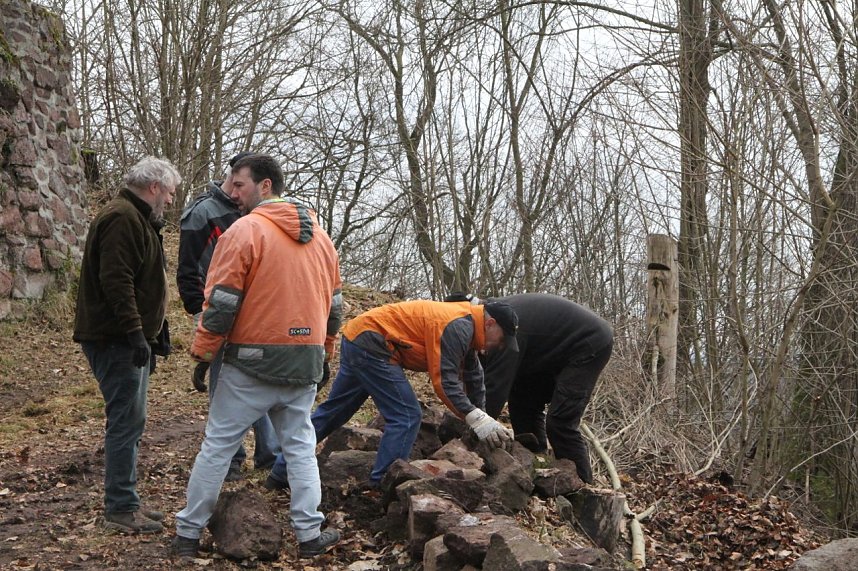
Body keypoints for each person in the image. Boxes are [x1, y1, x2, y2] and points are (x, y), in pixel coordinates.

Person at [172, 154, 343, 559]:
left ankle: (187, 535)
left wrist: (203, 354)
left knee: (217, 446)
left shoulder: (244, 231)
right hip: (304, 361)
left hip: (248, 362)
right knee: (300, 447)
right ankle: (309, 536)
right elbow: (335, 309)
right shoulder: (321, 238)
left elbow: (222, 302)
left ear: (265, 187)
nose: (232, 192)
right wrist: (325, 354)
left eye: (239, 184)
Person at [265, 299, 518, 490]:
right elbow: (445, 383)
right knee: (406, 415)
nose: (501, 345)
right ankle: (382, 486)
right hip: (374, 344)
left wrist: (484, 417)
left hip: (360, 337)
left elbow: (474, 378)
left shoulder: (468, 330)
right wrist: (475, 418)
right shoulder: (458, 326)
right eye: (503, 338)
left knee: (333, 412)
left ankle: (280, 474)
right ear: (490, 323)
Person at [73, 156, 181, 534]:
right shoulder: (122, 218)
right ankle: (120, 508)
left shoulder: (138, 218)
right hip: (115, 340)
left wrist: (154, 335)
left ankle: (126, 500)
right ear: (154, 188)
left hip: (127, 339)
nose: (169, 201)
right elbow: (116, 282)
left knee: (132, 421)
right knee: (125, 421)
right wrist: (136, 335)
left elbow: (145, 282)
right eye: (168, 193)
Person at [176, 151, 280, 481]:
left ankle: (269, 452)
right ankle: (232, 459)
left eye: (242, 186)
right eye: (236, 184)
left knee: (257, 383)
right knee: (222, 386)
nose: (238, 193)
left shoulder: (255, 214)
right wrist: (199, 312)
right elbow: (187, 268)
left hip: (255, 316)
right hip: (217, 312)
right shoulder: (203, 212)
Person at [478, 293, 613, 485]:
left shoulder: (503, 330)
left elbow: (494, 389)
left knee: (560, 421)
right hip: (546, 350)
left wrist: (474, 429)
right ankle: (536, 466)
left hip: (588, 342)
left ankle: (582, 488)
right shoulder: (490, 321)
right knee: (523, 405)